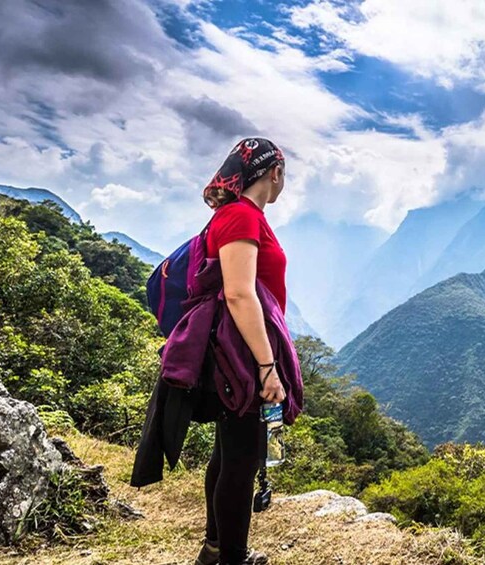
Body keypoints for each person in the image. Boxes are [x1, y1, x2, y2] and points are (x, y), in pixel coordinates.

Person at [195, 137, 290, 565]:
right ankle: (231, 557)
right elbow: (238, 293)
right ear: (275, 172)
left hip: (238, 350)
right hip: (243, 355)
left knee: (228, 453)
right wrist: (267, 367)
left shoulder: (239, 215)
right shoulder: (241, 217)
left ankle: (215, 549)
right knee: (242, 459)